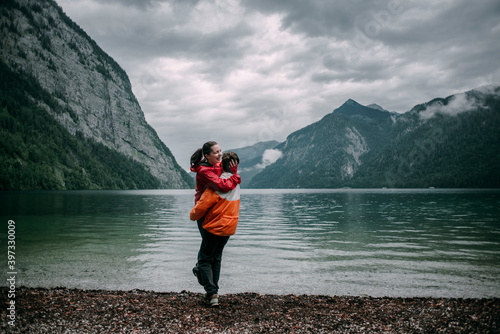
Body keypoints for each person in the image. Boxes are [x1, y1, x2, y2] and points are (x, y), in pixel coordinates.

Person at [189, 142, 241, 307]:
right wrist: (235, 176)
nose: (219, 155)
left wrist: (233, 173)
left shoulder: (217, 167)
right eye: (216, 152)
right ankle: (212, 291)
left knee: (209, 257)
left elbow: (223, 182)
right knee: (212, 256)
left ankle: (212, 292)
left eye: (220, 151)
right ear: (207, 156)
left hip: (213, 215)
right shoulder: (204, 171)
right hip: (206, 215)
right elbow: (222, 185)